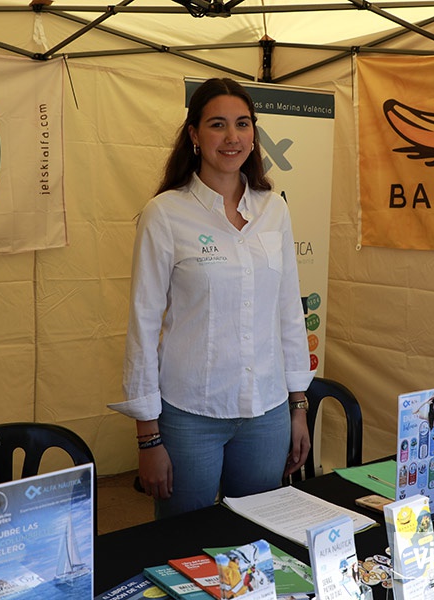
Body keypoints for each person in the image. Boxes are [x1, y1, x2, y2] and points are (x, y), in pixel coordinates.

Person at [110, 77, 314, 518]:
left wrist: (298, 407)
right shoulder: (166, 213)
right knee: (185, 542)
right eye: (217, 124)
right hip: (190, 415)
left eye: (242, 124)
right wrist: (148, 437)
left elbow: (287, 312)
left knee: (258, 535)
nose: (232, 137)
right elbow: (143, 324)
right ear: (194, 135)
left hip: (266, 413)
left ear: (254, 134)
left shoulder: (273, 209)